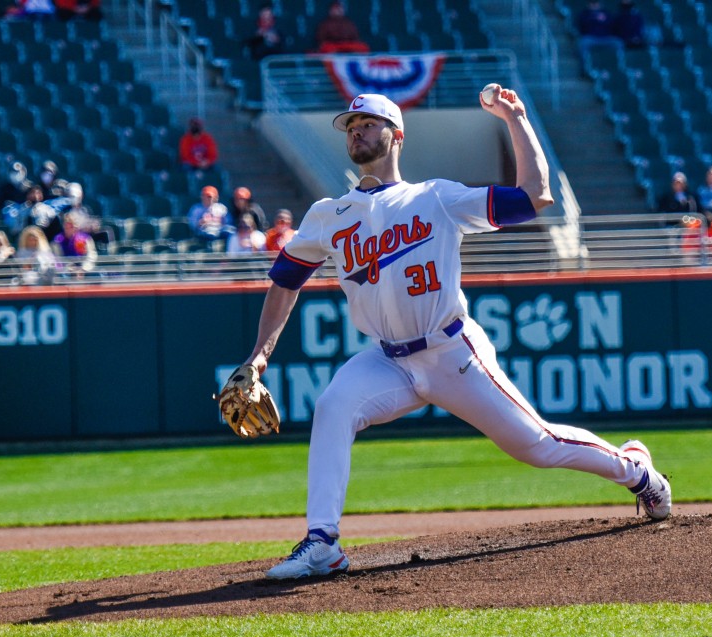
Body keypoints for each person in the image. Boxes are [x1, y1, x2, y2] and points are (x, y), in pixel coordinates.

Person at [239, 90, 671, 581]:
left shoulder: (435, 198)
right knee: (334, 405)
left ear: (396, 135)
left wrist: (517, 119)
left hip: (451, 352)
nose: (356, 129)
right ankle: (322, 543)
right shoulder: (328, 215)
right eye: (350, 124)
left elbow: (534, 197)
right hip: (387, 361)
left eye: (368, 122)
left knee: (537, 445)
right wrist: (259, 357)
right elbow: (285, 282)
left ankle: (636, 470)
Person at [52, 211, 98, 277]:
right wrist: (70, 269)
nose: (69, 228)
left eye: (72, 226)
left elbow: (91, 256)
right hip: (66, 270)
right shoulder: (57, 240)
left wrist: (83, 269)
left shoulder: (85, 238)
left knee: (97, 275)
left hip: (83, 268)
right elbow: (57, 258)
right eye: (67, 225)